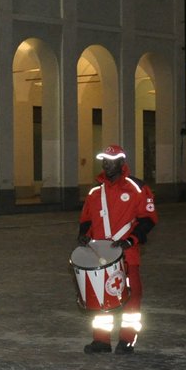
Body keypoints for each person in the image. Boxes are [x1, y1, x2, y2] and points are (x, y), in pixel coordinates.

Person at [77, 145, 157, 354]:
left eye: (111, 160)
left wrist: (131, 240)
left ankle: (127, 340)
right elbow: (86, 220)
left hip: (127, 253)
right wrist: (84, 235)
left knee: (132, 298)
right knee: (101, 298)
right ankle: (101, 341)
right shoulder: (95, 191)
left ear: (122, 162)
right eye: (104, 160)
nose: (106, 164)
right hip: (100, 255)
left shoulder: (136, 188)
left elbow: (147, 219)